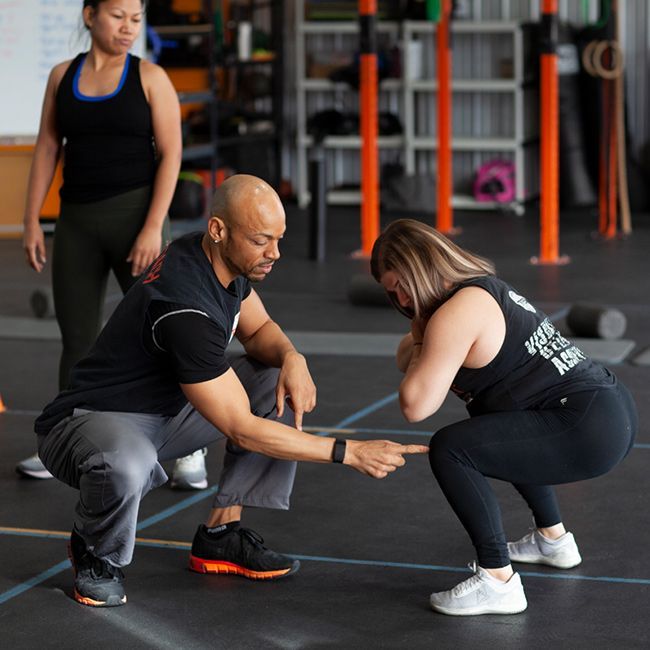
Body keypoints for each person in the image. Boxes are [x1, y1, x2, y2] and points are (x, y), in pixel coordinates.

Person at [34, 175, 428, 608]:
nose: (274, 253)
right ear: (219, 230)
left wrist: (293, 357)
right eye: (261, 240)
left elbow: (259, 330)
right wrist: (349, 452)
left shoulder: (216, 259)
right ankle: (95, 553)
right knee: (130, 463)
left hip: (164, 412)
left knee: (268, 377)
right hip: (89, 422)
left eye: (278, 239)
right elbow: (242, 429)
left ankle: (221, 533)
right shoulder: (185, 308)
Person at [370, 218, 638, 616]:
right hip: (606, 409)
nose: (403, 303)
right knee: (503, 425)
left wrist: (423, 335)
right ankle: (554, 540)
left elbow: (415, 404)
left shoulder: (455, 313)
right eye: (393, 296)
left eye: (400, 289)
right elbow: (402, 356)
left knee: (452, 448)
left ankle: (497, 579)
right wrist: (423, 340)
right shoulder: (478, 290)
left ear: (419, 272)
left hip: (588, 425)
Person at [17, 0, 205, 488]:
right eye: (118, 15)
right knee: (76, 339)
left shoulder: (151, 78)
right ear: (89, 15)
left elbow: (171, 154)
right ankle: (62, 439)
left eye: (136, 19)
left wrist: (151, 227)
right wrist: (31, 219)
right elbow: (46, 146)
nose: (128, 27)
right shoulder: (63, 76)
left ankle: (188, 447)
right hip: (77, 222)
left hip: (135, 219)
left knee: (167, 334)